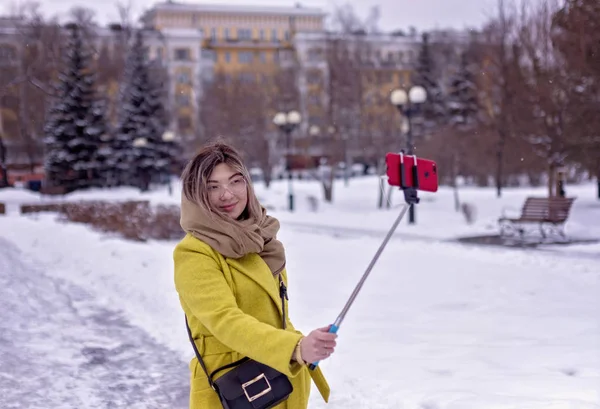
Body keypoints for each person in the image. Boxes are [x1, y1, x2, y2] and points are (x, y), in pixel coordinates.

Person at [173, 141, 336, 409]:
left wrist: (307, 345)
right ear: (196, 195)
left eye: (236, 181)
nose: (227, 195)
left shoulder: (262, 239)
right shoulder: (194, 254)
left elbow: (276, 313)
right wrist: (294, 347)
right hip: (235, 391)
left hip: (282, 383)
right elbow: (226, 322)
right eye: (212, 187)